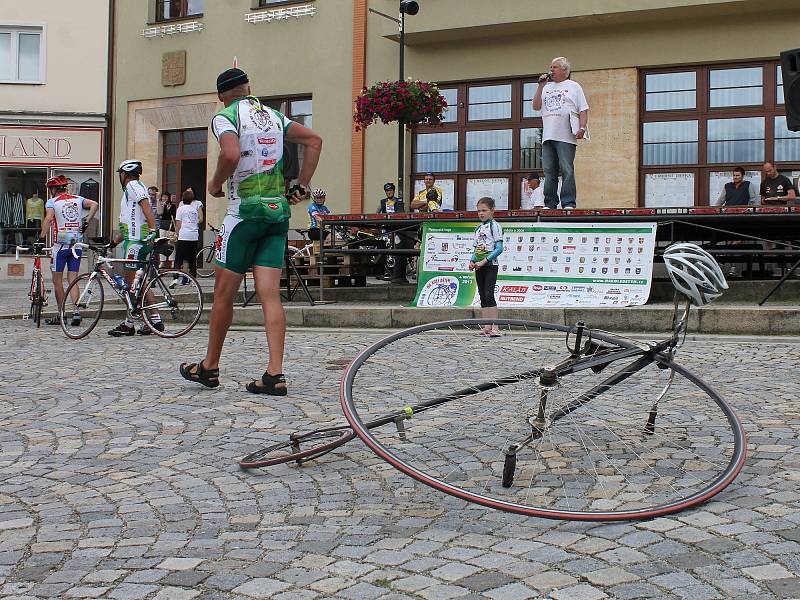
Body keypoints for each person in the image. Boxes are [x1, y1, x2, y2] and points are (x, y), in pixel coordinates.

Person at [180, 67, 322, 395]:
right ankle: (275, 374)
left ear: (220, 96)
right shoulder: (273, 116)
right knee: (269, 295)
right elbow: (315, 140)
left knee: (223, 296)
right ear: (249, 88)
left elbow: (230, 153)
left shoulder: (225, 116)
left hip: (243, 216)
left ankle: (210, 367)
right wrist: (302, 184)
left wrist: (214, 183)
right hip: (276, 216)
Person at [107, 159, 161, 336]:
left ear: (125, 174)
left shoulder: (133, 185)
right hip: (134, 240)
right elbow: (129, 223)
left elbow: (146, 206)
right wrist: (114, 242)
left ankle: (129, 324)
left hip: (136, 243)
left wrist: (154, 229)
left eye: (120, 174)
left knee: (131, 285)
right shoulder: (133, 189)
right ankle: (155, 320)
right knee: (140, 283)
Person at [38, 175, 98, 326]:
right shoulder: (78, 199)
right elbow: (95, 204)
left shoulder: (52, 202)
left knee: (57, 281)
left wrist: (41, 238)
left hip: (60, 247)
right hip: (76, 245)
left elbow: (49, 219)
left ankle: (62, 314)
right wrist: (87, 221)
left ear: (53, 189)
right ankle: (76, 312)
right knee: (73, 279)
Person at [532, 56, 589, 209]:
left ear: (565, 70)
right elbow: (536, 106)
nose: (551, 70)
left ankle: (568, 203)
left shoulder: (574, 86)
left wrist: (582, 128)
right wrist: (540, 86)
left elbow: (583, 109)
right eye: (551, 67)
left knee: (567, 170)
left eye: (555, 67)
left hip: (566, 136)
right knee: (549, 171)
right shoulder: (546, 87)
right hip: (548, 135)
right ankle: (550, 204)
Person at [469, 197, 504, 337]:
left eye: (484, 210)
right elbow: (476, 249)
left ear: (492, 211)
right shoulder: (478, 228)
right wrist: (472, 261)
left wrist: (485, 260)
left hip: (490, 266)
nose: (481, 213)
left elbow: (499, 248)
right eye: (478, 211)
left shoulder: (494, 226)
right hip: (479, 266)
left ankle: (496, 326)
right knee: (482, 295)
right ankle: (487, 326)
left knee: (489, 294)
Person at [377, 182, 410, 282]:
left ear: (393, 191)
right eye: (387, 191)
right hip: (385, 229)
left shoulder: (399, 201)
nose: (389, 192)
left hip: (396, 229)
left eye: (390, 190)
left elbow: (402, 213)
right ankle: (387, 271)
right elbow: (377, 213)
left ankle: (396, 271)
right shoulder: (382, 202)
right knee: (386, 249)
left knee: (396, 248)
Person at [173, 188, 204, 278]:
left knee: (179, 258)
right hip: (194, 235)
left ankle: (175, 278)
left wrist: (176, 233)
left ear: (182, 198)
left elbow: (178, 224)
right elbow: (198, 220)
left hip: (184, 235)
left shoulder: (180, 209)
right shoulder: (194, 210)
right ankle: (193, 278)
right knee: (192, 259)